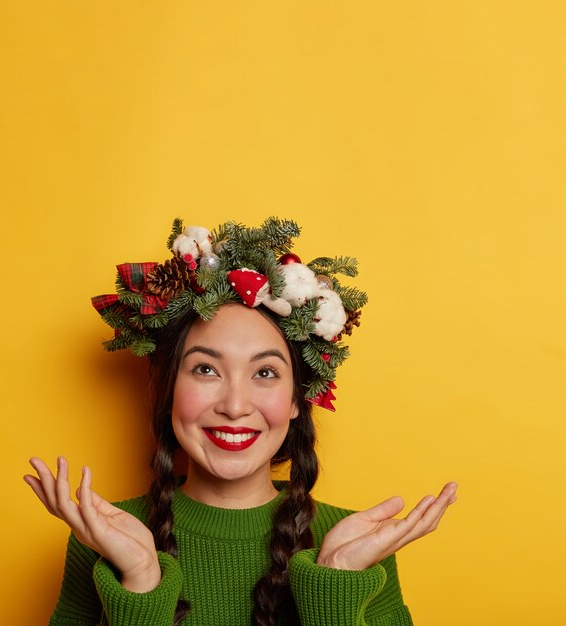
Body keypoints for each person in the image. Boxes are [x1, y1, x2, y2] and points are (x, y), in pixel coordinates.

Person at [24, 218, 457, 626]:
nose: (234, 405)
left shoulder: (359, 545)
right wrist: (139, 582)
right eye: (206, 370)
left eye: (265, 373)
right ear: (170, 388)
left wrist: (336, 583)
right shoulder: (101, 537)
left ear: (295, 400)